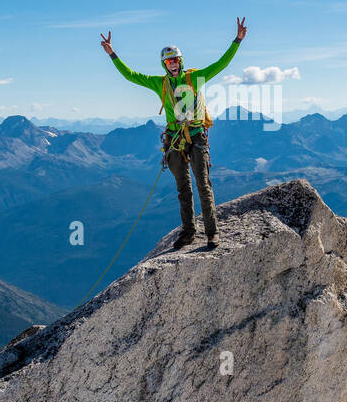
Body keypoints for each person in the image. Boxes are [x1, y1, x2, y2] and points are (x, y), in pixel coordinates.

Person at [101, 17, 247, 248]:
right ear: (164, 64)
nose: (172, 64)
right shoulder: (159, 83)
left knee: (203, 184)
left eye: (175, 60)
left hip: (196, 134)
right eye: (168, 61)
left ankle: (212, 232)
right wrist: (112, 54)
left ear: (180, 61)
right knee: (183, 188)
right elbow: (131, 75)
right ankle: (189, 232)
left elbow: (221, 64)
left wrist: (237, 41)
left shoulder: (194, 77)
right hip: (175, 138)